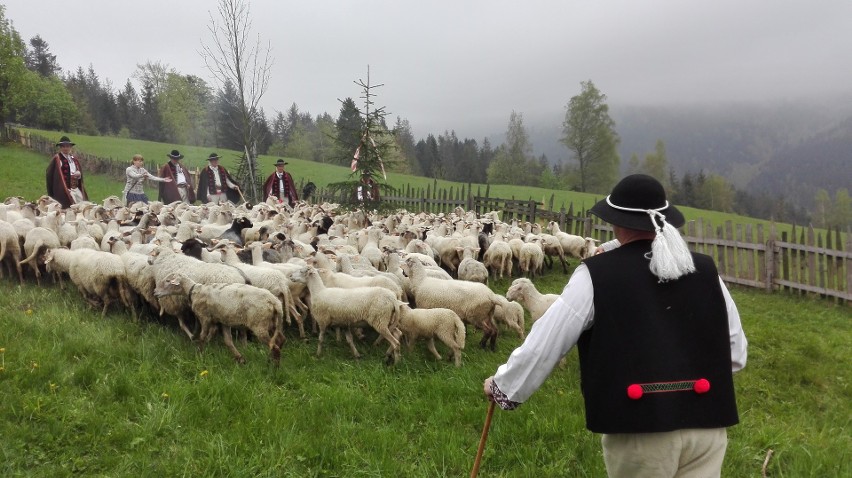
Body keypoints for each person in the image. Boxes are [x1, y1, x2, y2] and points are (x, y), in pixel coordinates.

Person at [482, 174, 748, 478]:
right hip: (708, 427)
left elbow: (546, 341)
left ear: (617, 223)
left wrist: (504, 386)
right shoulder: (704, 270)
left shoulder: (597, 274)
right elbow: (736, 353)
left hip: (639, 428)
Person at [46, 136, 88, 209]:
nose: (66, 148)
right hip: (65, 190)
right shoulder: (57, 159)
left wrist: (79, 174)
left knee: (83, 205)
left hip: (75, 188)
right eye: (63, 146)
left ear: (70, 147)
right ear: (60, 147)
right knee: (69, 208)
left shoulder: (74, 159)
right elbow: (50, 174)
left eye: (68, 146)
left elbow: (78, 171)